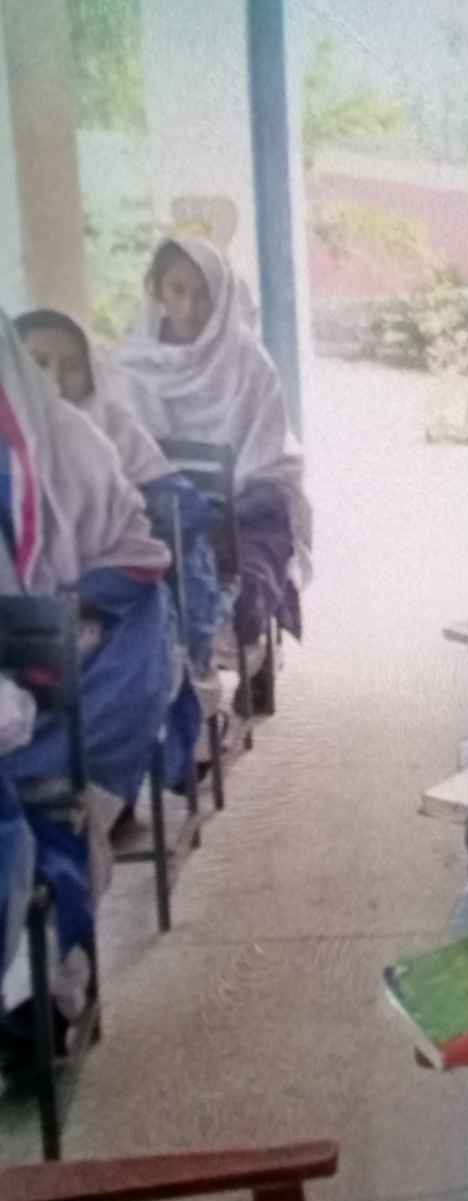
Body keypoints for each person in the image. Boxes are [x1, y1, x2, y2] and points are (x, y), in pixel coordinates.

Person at [0, 311, 175, 1049]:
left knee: (56, 814)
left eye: (61, 363)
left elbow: (140, 560)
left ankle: (45, 994)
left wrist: (62, 618)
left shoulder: (73, 446)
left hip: (92, 670)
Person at [115, 237, 312, 709]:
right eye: (177, 289)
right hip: (157, 507)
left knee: (250, 554)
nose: (188, 307)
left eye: (202, 294)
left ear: (222, 296)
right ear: (157, 289)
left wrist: (215, 507)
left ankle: (249, 651)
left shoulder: (248, 363)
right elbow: (120, 447)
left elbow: (265, 446)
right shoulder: (127, 363)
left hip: (241, 500)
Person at [14, 308, 221, 679]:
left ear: (91, 374)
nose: (54, 378)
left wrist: (126, 519)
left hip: (110, 580)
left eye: (72, 367)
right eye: (39, 362)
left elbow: (179, 511)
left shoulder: (113, 428)